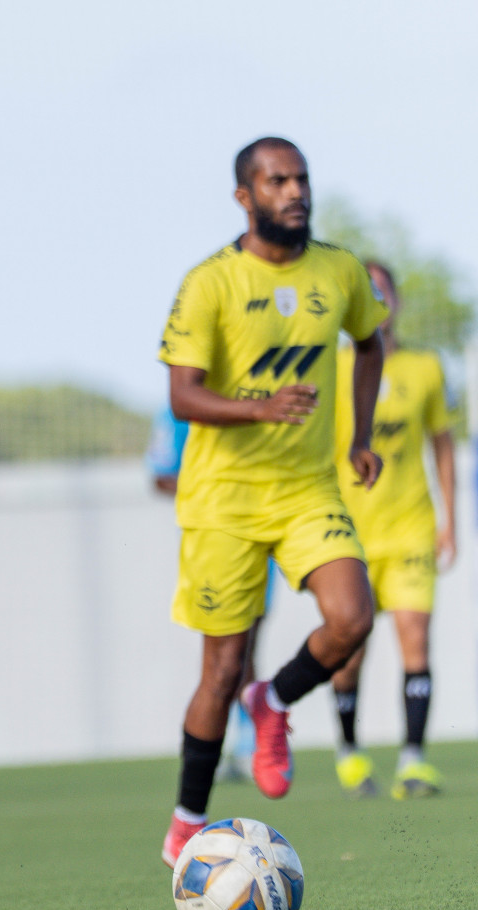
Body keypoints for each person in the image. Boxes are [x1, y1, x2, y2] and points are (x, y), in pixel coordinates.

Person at [157, 136, 388, 867]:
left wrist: (359, 435)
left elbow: (371, 344)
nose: (294, 191)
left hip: (307, 486)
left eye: (301, 179)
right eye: (277, 180)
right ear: (244, 196)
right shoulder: (210, 283)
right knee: (220, 672)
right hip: (223, 498)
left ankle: (277, 701)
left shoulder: (341, 270)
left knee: (354, 616)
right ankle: (188, 822)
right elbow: (182, 394)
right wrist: (263, 409)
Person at [327, 261, 457, 799]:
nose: (376, 302)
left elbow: (442, 445)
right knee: (350, 651)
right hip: (350, 535)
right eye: (366, 293)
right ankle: (351, 754)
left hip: (409, 528)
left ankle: (413, 760)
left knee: (414, 636)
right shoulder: (330, 368)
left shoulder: (426, 368)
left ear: (396, 303)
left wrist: (451, 520)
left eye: (383, 292)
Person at [146, 408, 259, 783]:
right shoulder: (179, 411)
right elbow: (160, 477)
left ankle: (248, 741)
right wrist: (215, 487)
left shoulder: (260, 391)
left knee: (248, 646)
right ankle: (225, 745)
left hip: (262, 536)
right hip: (212, 543)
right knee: (222, 655)